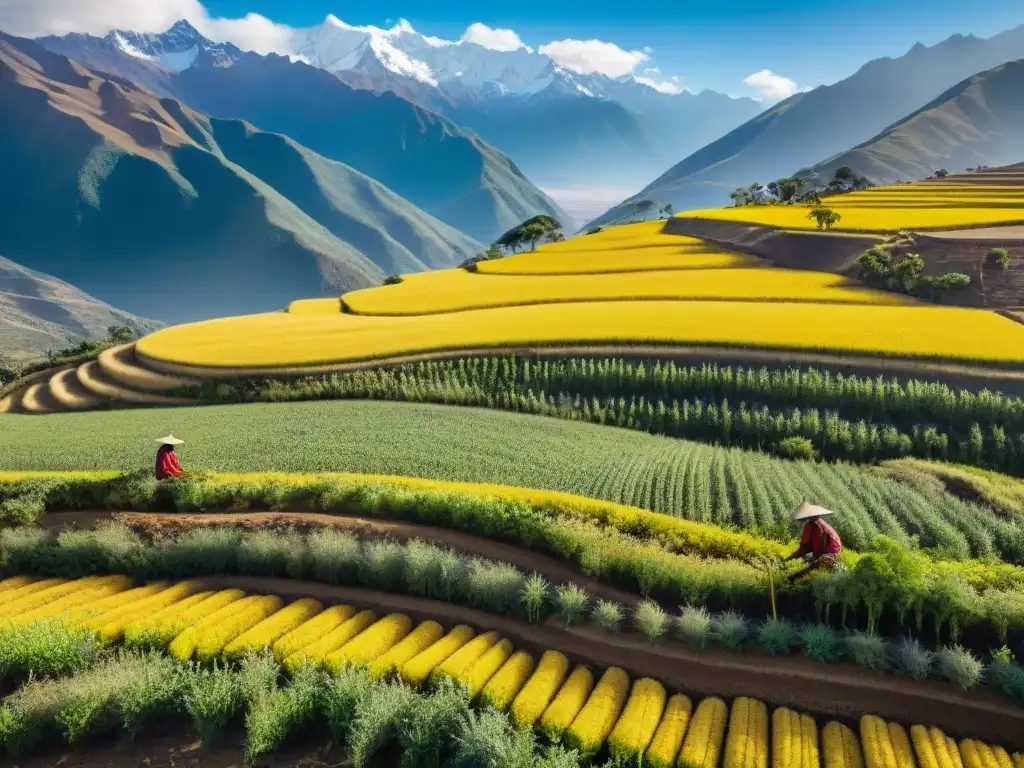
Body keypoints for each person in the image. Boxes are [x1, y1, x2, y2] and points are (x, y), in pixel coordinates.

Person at [785, 502, 842, 582]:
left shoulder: (813, 526)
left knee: (796, 578)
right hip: (834, 556)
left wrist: (790, 558)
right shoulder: (822, 524)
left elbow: (806, 548)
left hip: (827, 558)